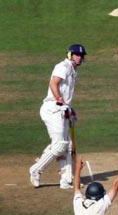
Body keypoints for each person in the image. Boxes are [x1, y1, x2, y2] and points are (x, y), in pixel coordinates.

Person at [29, 44, 87, 189]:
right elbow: (54, 83)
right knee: (60, 145)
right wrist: (59, 98)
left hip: (62, 110)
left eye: (81, 55)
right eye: (76, 55)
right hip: (52, 109)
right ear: (70, 55)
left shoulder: (74, 71)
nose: (79, 58)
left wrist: (70, 109)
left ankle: (66, 179)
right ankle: (35, 170)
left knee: (68, 146)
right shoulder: (63, 66)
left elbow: (66, 95)